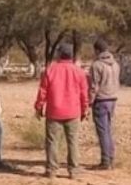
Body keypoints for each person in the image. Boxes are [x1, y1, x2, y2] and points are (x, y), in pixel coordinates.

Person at [34, 43, 89, 179]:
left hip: (54, 112)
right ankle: (73, 171)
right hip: (73, 112)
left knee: (52, 141)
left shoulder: (50, 70)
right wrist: (85, 109)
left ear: (59, 54)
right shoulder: (79, 72)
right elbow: (84, 94)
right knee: (73, 141)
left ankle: (51, 170)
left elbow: (43, 92)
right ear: (71, 55)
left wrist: (39, 107)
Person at [88, 38, 120, 170]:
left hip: (101, 100)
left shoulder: (97, 65)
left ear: (96, 50)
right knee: (108, 129)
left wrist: (89, 101)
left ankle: (105, 161)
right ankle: (111, 158)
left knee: (102, 131)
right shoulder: (115, 64)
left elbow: (94, 86)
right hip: (112, 99)